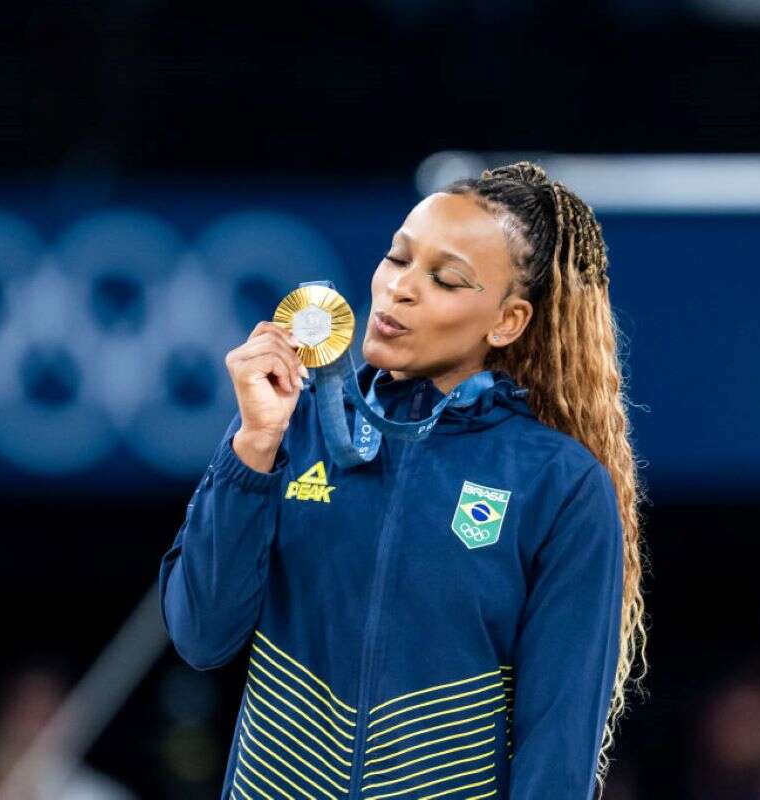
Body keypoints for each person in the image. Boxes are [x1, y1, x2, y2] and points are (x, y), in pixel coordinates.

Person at [159, 161, 649, 799]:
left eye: (445, 279)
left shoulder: (556, 482)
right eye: (397, 259)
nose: (400, 289)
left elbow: (556, 747)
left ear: (507, 321)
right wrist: (252, 447)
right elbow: (201, 635)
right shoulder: (290, 424)